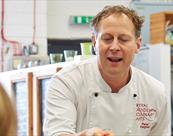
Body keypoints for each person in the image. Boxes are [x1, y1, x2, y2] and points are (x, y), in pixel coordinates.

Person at [43, 5, 170, 136]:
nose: (114, 47)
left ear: (137, 45)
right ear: (94, 42)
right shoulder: (67, 82)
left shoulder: (155, 92)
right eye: (107, 39)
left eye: (123, 39)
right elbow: (58, 132)